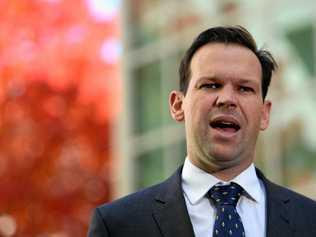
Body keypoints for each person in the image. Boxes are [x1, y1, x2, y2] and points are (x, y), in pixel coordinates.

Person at [87, 26, 316, 237]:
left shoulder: (310, 221)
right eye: (211, 85)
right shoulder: (118, 225)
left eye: (244, 88)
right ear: (178, 105)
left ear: (264, 114)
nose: (227, 99)